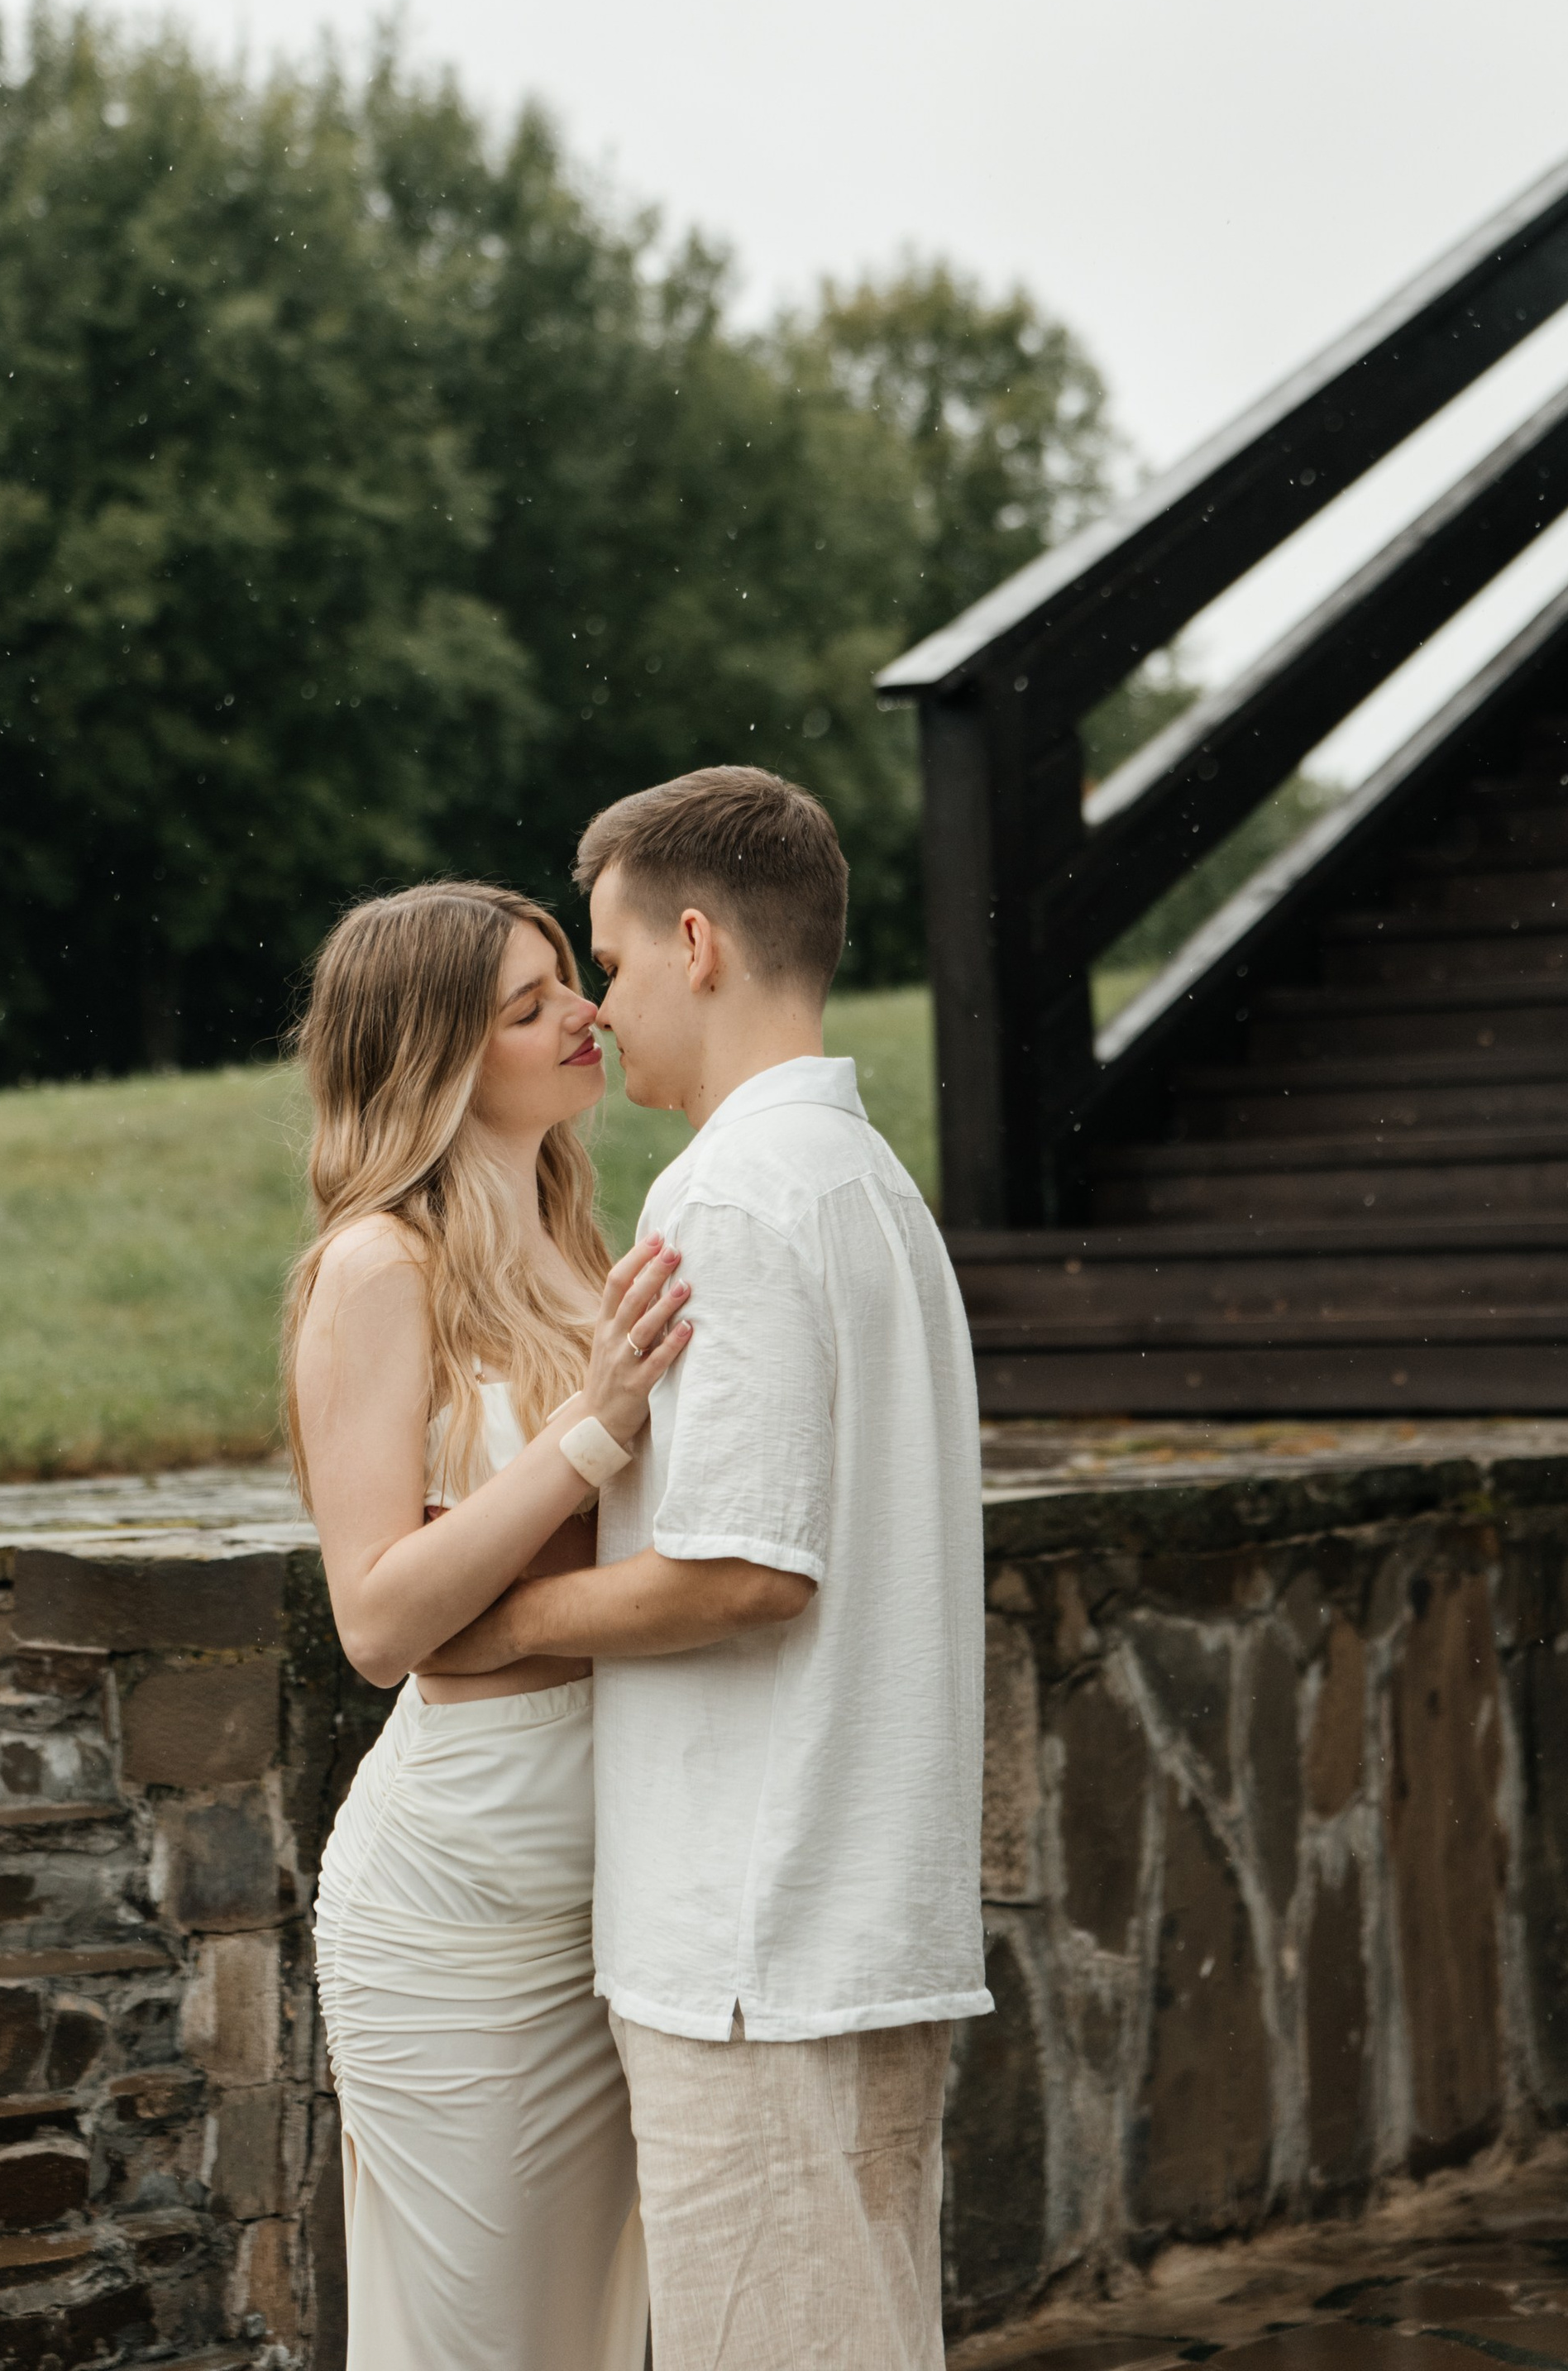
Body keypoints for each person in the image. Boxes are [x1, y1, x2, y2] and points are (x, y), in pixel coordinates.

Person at [421, 768, 990, 2371]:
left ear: (695, 943)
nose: (602, 1010)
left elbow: (746, 1572)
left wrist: (500, 1618)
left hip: (754, 1942)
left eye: (606, 964)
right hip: (853, 1924)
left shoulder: (726, 1196)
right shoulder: (875, 1190)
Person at [284, 879, 695, 2371]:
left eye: (569, 985)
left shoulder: (590, 1251)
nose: (584, 1015)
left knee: (597, 2345)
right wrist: (588, 1438)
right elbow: (381, 1617)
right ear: (435, 1062)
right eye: (529, 1009)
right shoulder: (377, 1266)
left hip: (622, 1883)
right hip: (459, 1914)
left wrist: (506, 1600)